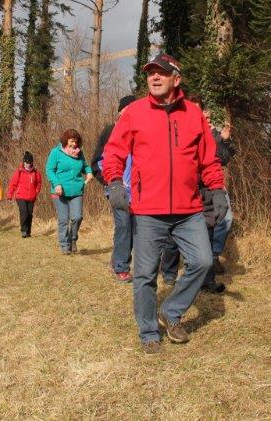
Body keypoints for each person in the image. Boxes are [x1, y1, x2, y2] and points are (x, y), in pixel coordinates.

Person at [103, 52, 228, 354]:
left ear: (176, 79)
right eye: (150, 73)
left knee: (202, 261)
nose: (155, 77)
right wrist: (115, 182)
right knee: (145, 275)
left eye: (161, 72)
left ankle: (170, 312)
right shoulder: (135, 112)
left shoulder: (193, 114)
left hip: (189, 210)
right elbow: (114, 151)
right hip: (148, 210)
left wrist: (217, 189)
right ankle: (148, 331)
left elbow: (208, 159)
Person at [161, 94, 236, 292]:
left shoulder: (211, 134)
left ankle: (207, 281)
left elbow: (221, 159)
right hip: (183, 191)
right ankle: (168, 272)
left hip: (207, 191)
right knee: (175, 236)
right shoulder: (175, 129)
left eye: (198, 109)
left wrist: (224, 141)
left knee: (208, 232)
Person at [92, 95, 137, 283]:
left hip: (138, 190)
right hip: (117, 188)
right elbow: (97, 162)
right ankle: (121, 267)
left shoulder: (141, 132)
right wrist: (111, 182)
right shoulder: (110, 131)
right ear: (120, 111)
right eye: (129, 109)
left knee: (133, 228)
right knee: (124, 225)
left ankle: (116, 261)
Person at [45, 129, 94, 254]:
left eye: (76, 142)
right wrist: (56, 184)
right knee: (63, 220)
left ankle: (72, 239)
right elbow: (49, 170)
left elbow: (85, 166)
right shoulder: (56, 152)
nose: (74, 144)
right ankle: (64, 246)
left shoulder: (79, 153)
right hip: (59, 192)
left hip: (77, 190)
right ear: (65, 140)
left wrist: (89, 172)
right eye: (71, 141)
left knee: (77, 217)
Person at [7, 151, 43, 238]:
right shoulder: (19, 171)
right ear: (23, 162)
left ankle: (28, 231)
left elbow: (39, 183)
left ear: (32, 163)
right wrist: (10, 194)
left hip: (31, 197)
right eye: (26, 162)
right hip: (20, 196)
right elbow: (13, 183)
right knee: (24, 212)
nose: (28, 164)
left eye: (29, 163)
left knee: (29, 214)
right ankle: (23, 230)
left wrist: (36, 192)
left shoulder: (36, 172)